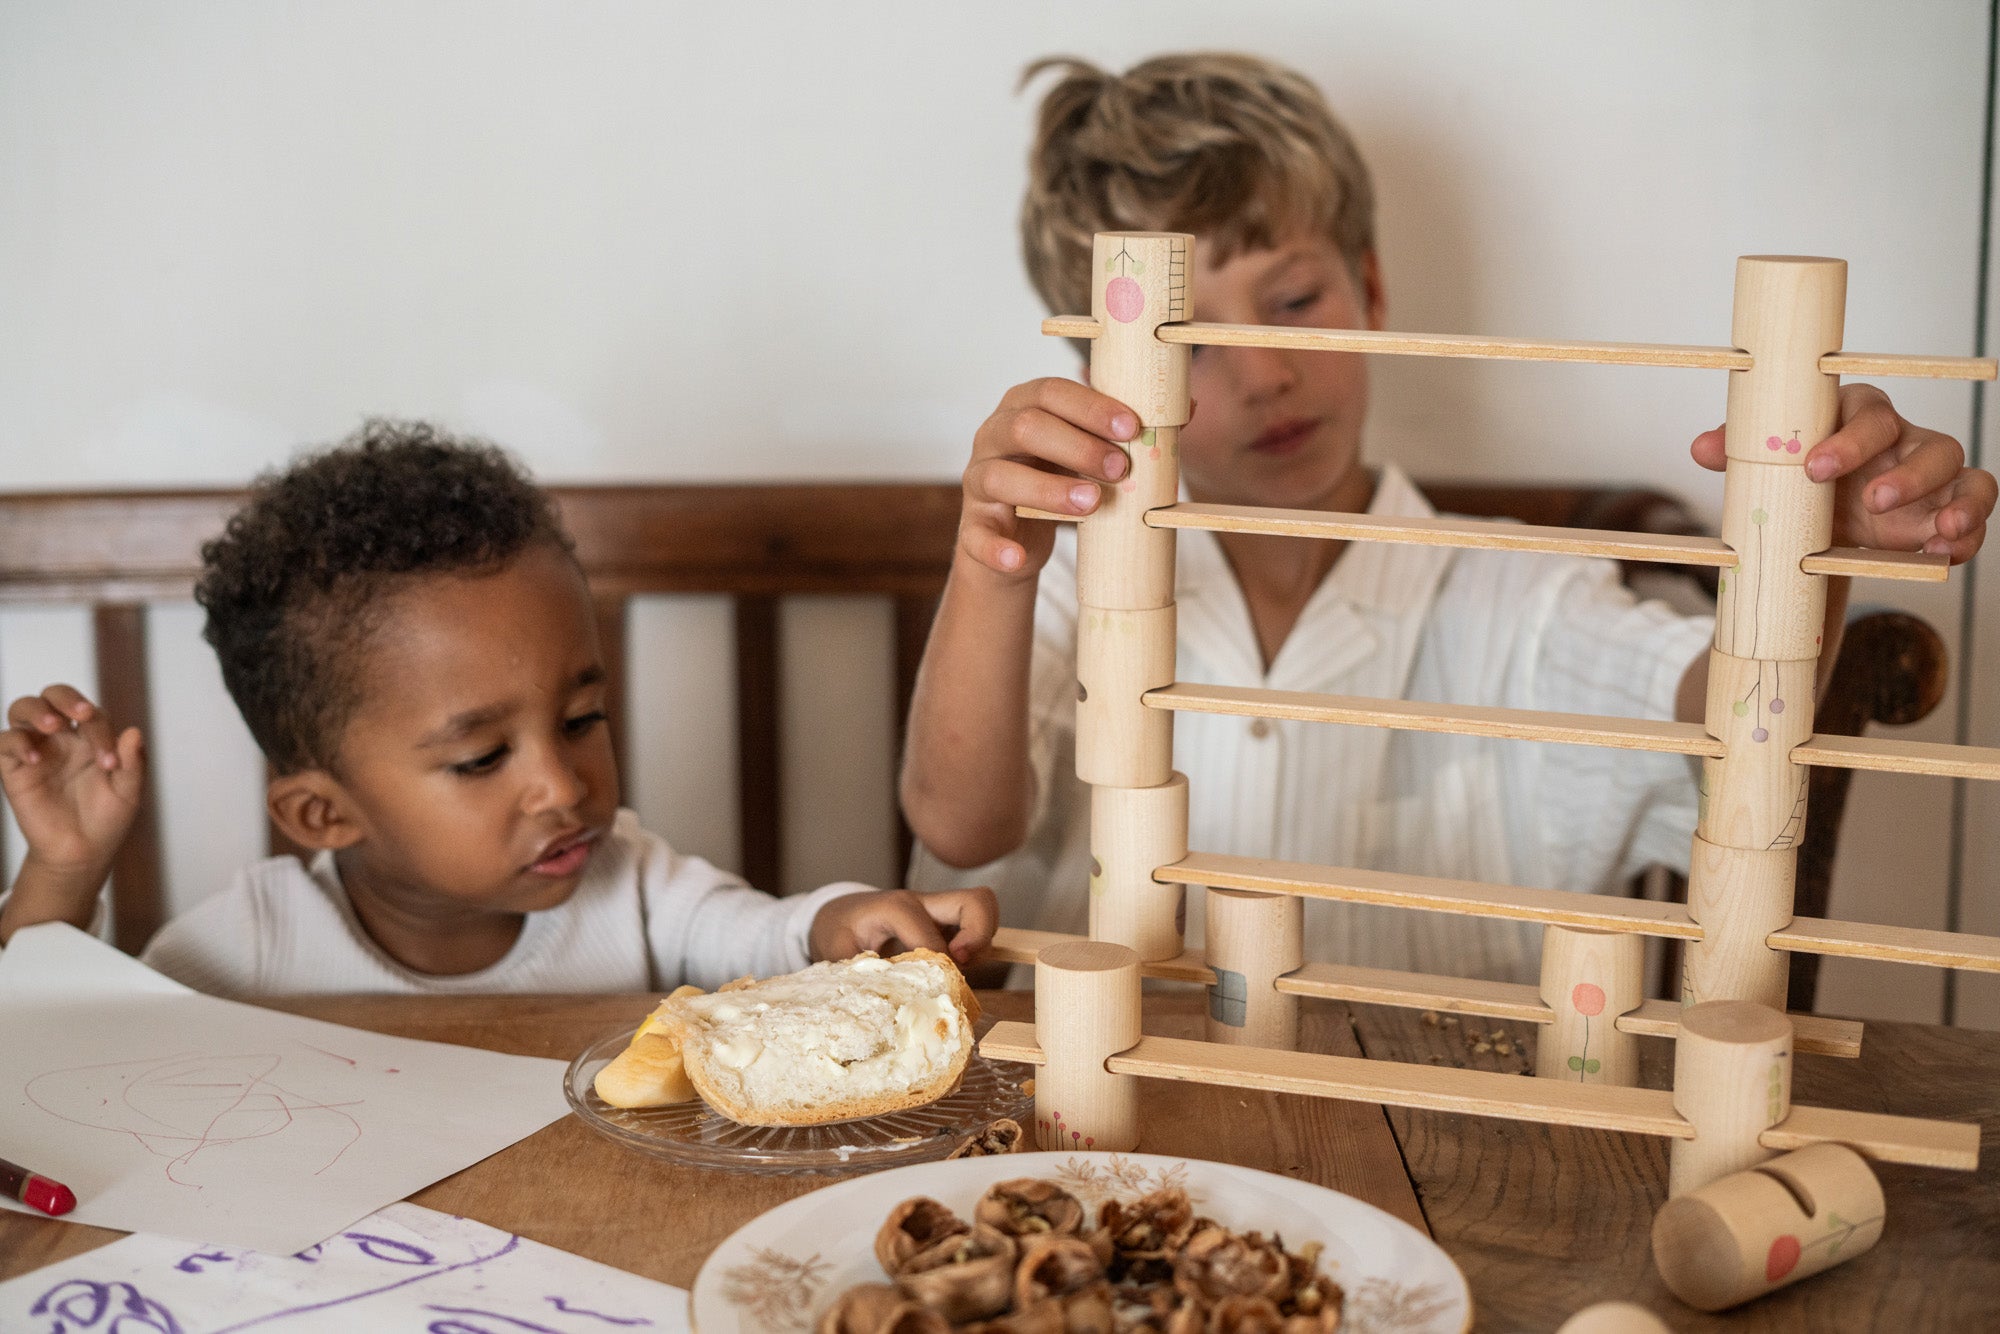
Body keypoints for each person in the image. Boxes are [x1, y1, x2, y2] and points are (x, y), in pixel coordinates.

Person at [899, 53, 1995, 982]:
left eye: (1293, 302)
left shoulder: (1515, 596)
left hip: (1446, 1170)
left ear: (1369, 291)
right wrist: (989, 560)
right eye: (1184, 342)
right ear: (1099, 367)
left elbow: (1728, 727)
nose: (1268, 371)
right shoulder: (1058, 582)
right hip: (1111, 1140)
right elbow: (958, 826)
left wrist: (1806, 534)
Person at [0, 422, 996, 996]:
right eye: (481, 756)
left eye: (581, 718)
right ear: (324, 812)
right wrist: (64, 870)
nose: (561, 785)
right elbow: (59, 1046)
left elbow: (758, 932)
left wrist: (841, 924)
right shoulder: (250, 946)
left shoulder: (635, 887)